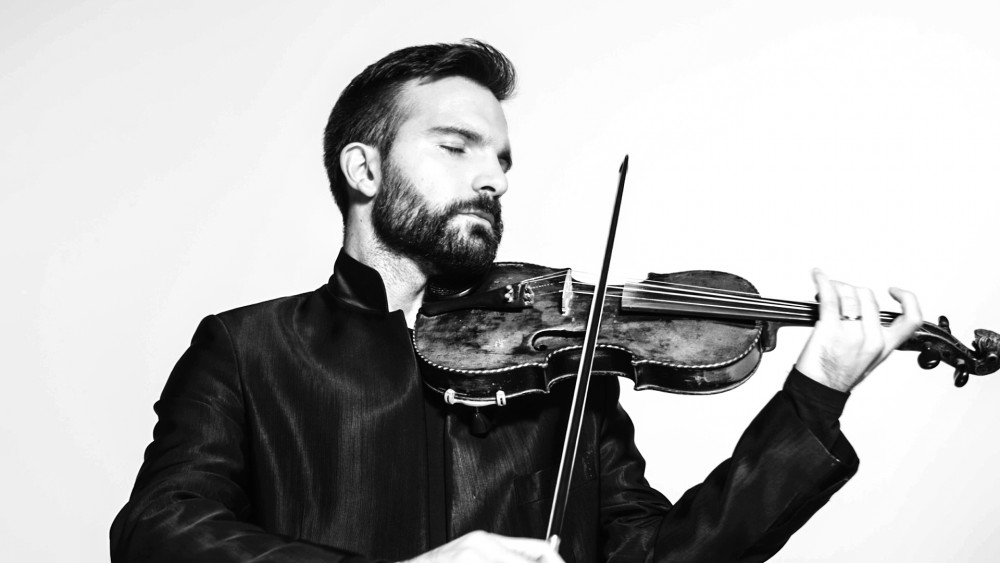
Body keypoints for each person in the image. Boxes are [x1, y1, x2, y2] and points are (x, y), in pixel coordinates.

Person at [110, 39, 923, 562]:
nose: (492, 178)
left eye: (500, 160)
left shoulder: (562, 367)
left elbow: (663, 558)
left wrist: (815, 396)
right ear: (364, 170)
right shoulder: (250, 349)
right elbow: (158, 529)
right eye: (457, 147)